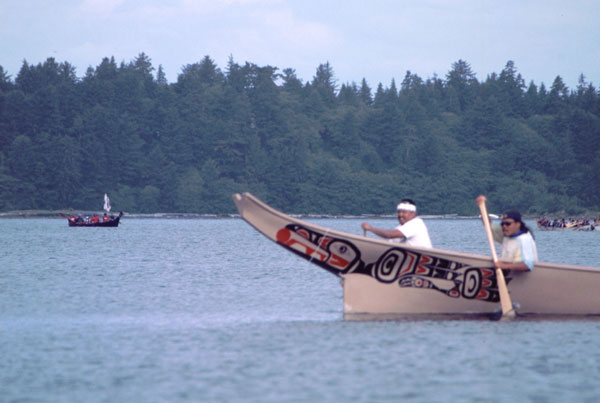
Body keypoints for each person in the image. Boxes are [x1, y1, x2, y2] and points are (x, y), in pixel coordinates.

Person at [477, 196, 538, 271]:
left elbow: (527, 265)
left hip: (524, 277)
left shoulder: (524, 239)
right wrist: (482, 208)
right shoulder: (507, 234)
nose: (504, 226)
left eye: (508, 224)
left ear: (518, 224)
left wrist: (503, 266)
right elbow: (488, 226)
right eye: (502, 224)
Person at [361, 199, 432, 248]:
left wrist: (370, 229)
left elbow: (389, 235)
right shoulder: (399, 229)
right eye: (399, 212)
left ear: (413, 213)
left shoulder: (416, 223)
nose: (400, 215)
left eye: (404, 212)